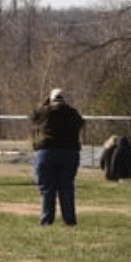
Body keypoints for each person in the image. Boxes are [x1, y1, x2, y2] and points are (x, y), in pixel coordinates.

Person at [30, 88, 85, 226]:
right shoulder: (73, 113)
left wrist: (44, 103)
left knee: (47, 190)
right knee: (67, 188)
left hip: (46, 151)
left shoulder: (44, 112)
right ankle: (70, 221)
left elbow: (33, 117)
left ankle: (46, 221)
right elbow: (81, 123)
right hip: (69, 152)